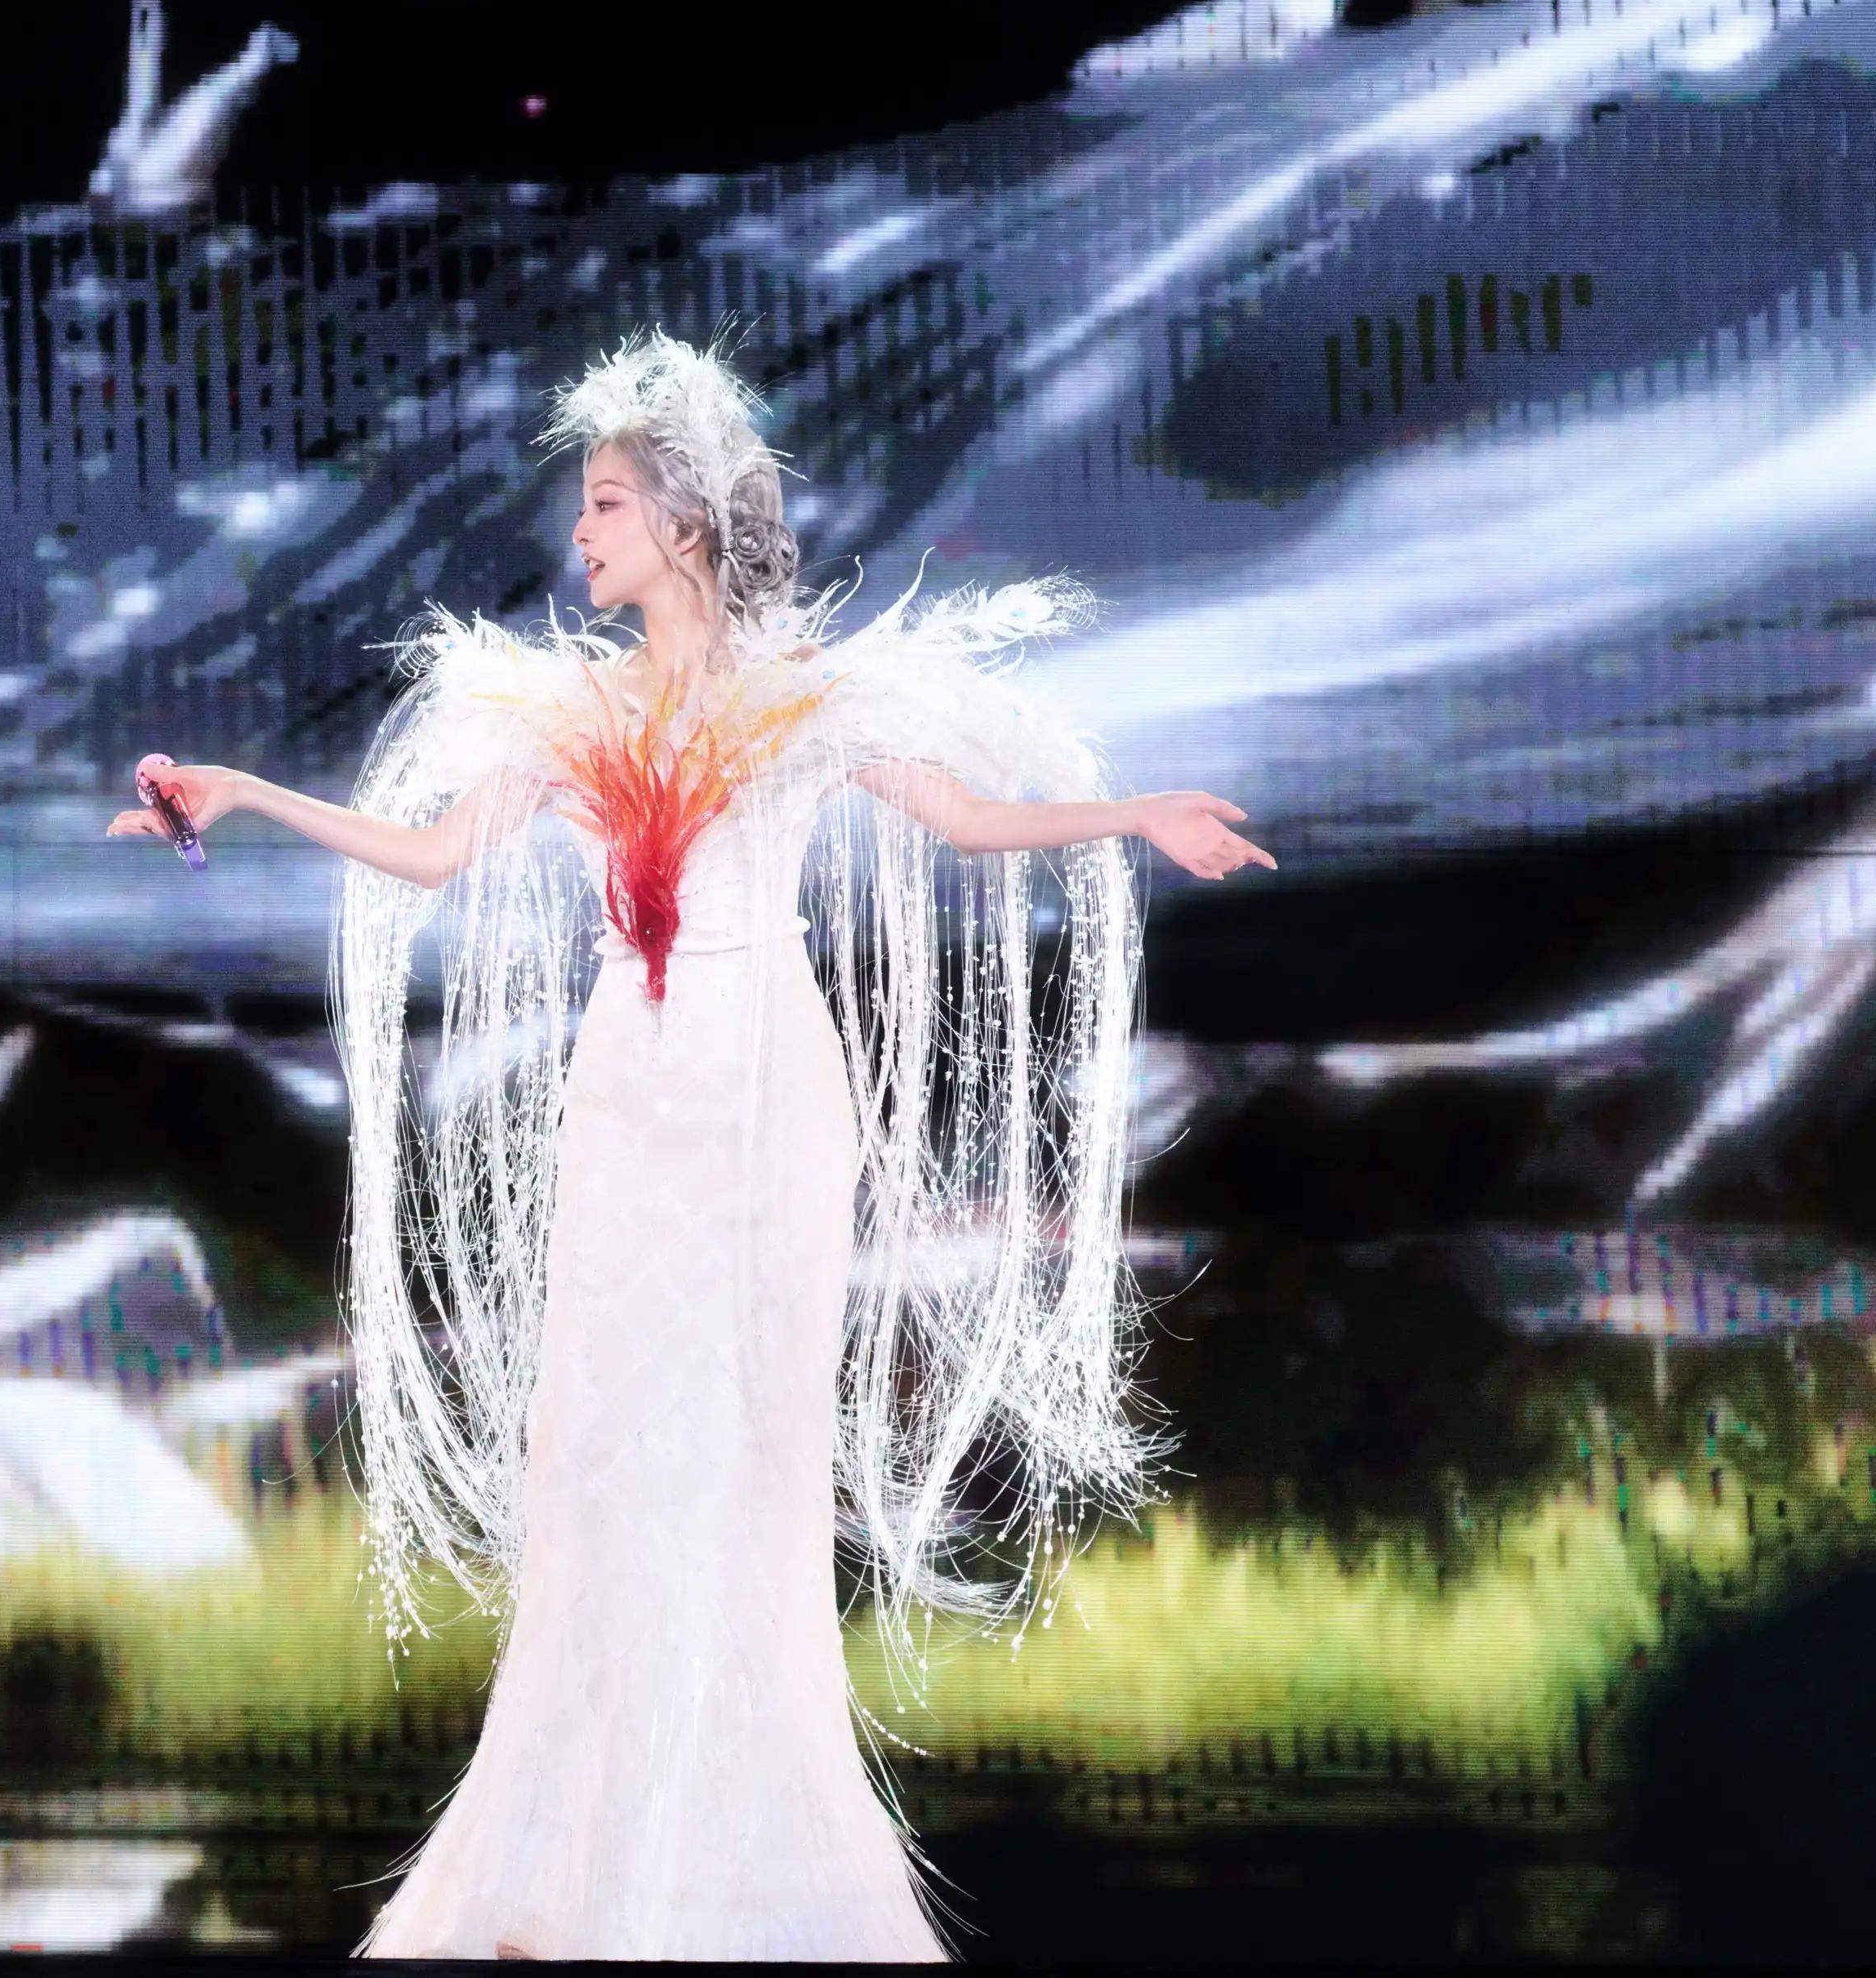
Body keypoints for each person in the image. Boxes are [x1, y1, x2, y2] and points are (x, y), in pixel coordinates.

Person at [109, 328, 1273, 1960]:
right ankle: (574, 1861)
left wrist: (1134, 815)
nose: (579, 534)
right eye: (584, 507)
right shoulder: (568, 704)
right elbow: (434, 855)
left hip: (763, 1078)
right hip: (631, 1078)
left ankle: (741, 1877)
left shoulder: (800, 696)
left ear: (680, 521)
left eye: (603, 504)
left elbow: (958, 817)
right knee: (598, 1450)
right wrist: (239, 793)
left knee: (744, 1451)